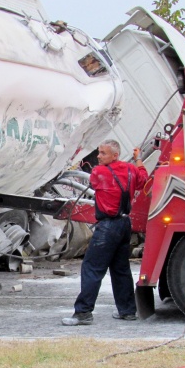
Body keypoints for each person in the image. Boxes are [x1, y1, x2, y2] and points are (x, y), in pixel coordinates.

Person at [62, 139, 148, 326]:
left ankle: (83, 312)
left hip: (107, 226)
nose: (98, 156)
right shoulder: (131, 169)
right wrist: (138, 159)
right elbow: (143, 180)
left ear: (114, 155)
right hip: (125, 224)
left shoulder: (98, 172)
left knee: (92, 268)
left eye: (103, 153)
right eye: (99, 152)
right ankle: (127, 311)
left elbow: (94, 184)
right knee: (121, 269)